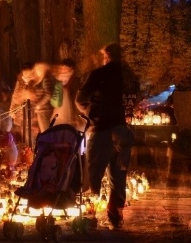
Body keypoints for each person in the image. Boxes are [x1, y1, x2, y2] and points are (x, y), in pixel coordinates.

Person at [75, 43, 136, 230]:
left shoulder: (98, 74)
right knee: (118, 175)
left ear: (107, 56)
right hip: (121, 130)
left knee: (93, 173)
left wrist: (89, 110)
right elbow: (135, 97)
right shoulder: (129, 76)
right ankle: (115, 215)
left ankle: (88, 216)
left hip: (101, 129)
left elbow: (80, 99)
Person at [10, 63, 41, 144]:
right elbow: (15, 95)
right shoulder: (20, 81)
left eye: (28, 72)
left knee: (32, 137)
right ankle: (24, 152)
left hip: (32, 115)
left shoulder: (36, 82)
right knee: (22, 136)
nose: (26, 74)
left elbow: (37, 97)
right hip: (21, 114)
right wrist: (12, 109)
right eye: (24, 72)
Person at [51, 58, 84, 129]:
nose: (63, 70)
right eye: (62, 68)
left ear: (71, 68)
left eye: (65, 68)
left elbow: (77, 97)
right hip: (59, 113)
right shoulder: (58, 81)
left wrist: (77, 115)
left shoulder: (76, 81)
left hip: (72, 114)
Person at [33, 62, 55, 132]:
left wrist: (39, 105)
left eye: (38, 69)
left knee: (46, 131)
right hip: (42, 109)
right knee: (44, 131)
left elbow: (48, 94)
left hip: (44, 110)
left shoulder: (46, 79)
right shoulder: (42, 78)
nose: (36, 70)